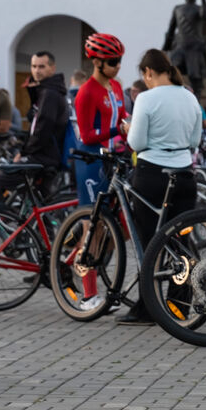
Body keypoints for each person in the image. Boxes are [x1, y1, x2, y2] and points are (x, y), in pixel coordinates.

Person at [122, 48, 203, 324]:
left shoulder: (145, 98)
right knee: (181, 241)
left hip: (151, 173)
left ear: (148, 73)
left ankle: (147, 307)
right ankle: (179, 305)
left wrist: (128, 128)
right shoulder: (190, 97)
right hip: (184, 173)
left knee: (149, 242)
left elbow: (136, 143)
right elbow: (195, 141)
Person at [70, 33, 130, 312]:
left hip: (111, 158)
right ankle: (88, 296)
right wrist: (117, 130)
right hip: (91, 161)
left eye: (119, 60)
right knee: (91, 230)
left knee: (109, 229)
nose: (118, 65)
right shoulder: (87, 92)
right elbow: (86, 134)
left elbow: (121, 120)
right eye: (112, 61)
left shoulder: (116, 86)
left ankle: (71, 258)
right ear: (96, 61)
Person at [0, 51, 68, 204]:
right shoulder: (46, 91)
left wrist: (23, 153)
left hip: (42, 158)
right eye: (33, 66)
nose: (36, 71)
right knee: (38, 204)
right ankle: (42, 228)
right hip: (46, 157)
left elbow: (42, 129)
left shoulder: (50, 93)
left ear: (52, 68)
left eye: (41, 66)